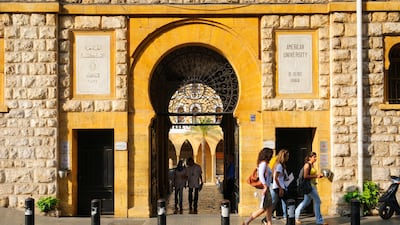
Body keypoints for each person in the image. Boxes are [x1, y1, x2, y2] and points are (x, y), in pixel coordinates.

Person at [295, 152, 328, 225]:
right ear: (310, 158)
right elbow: (305, 176)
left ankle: (295, 217)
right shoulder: (307, 165)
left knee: (306, 202)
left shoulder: (312, 165)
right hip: (309, 186)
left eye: (316, 157)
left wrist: (318, 176)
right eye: (314, 157)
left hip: (312, 185)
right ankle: (319, 221)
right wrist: (316, 176)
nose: (315, 158)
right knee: (318, 201)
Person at [242, 147, 273, 225]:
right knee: (263, 208)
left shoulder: (265, 164)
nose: (272, 156)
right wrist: (265, 186)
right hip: (263, 188)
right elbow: (261, 176)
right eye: (271, 155)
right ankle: (247, 221)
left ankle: (269, 223)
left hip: (266, 188)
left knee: (269, 208)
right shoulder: (263, 164)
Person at [270, 149, 290, 222]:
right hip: (278, 187)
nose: (288, 157)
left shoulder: (281, 165)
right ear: (283, 157)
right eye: (287, 156)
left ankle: (286, 216)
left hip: (281, 186)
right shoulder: (279, 166)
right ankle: (267, 216)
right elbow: (275, 177)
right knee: (274, 202)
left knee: (284, 201)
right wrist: (281, 188)